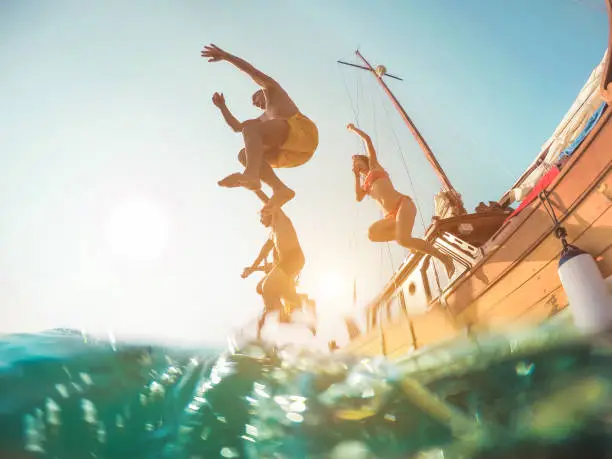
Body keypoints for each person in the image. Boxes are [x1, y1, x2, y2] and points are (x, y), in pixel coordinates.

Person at [202, 43, 319, 215]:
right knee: (244, 154)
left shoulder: (272, 90)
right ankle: (280, 189)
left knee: (252, 129)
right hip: (295, 153)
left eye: (255, 98)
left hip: (303, 134)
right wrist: (222, 107)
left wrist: (226, 56)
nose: (255, 103)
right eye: (254, 104)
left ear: (260, 91)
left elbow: (252, 71)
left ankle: (251, 175)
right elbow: (237, 127)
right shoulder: (264, 119)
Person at [347, 123, 456, 277]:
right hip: (392, 216)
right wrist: (356, 176)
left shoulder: (374, 166)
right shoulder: (365, 185)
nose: (353, 163)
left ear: (362, 160)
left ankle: (444, 258)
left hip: (403, 205)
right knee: (372, 233)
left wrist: (353, 129)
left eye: (355, 159)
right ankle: (406, 238)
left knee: (402, 240)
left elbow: (368, 140)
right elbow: (358, 197)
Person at [241, 195, 316, 338]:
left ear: (269, 213)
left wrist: (255, 189)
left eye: (262, 218)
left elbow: (268, 201)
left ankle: (282, 312)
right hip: (286, 264)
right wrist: (251, 268)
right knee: (261, 287)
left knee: (267, 287)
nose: (260, 221)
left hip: (294, 258)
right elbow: (262, 253)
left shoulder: (282, 221)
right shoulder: (272, 234)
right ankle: (293, 311)